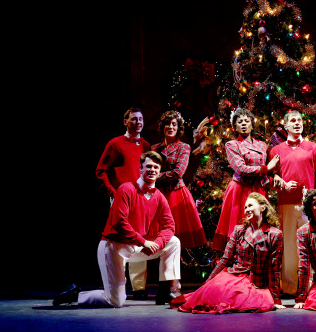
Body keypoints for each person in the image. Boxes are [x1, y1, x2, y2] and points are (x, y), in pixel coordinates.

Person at [53, 151, 182, 307]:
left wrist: (158, 243)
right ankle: (77, 295)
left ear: (160, 172)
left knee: (173, 242)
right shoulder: (126, 189)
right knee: (115, 301)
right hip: (114, 246)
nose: (152, 170)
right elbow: (119, 222)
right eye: (148, 166)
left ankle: (164, 291)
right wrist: (143, 242)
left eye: (156, 167)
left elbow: (169, 226)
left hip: (136, 246)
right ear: (140, 169)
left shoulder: (159, 196)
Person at [173, 192, 285, 313]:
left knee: (240, 298)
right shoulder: (239, 231)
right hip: (234, 275)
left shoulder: (274, 234)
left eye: (250, 205)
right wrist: (208, 282)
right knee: (215, 293)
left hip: (256, 282)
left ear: (263, 208)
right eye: (245, 207)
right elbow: (225, 259)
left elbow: (273, 268)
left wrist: (276, 298)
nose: (247, 209)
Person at [269, 110, 316, 296]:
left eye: (299, 120)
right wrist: (281, 184)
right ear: (285, 126)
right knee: (288, 244)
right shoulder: (276, 151)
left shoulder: (313, 148)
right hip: (285, 204)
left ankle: (309, 285)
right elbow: (270, 178)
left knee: (309, 244)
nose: (297, 123)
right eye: (292, 121)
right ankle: (289, 286)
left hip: (307, 205)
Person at [95, 107, 152, 299]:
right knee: (120, 239)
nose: (138, 122)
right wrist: (113, 192)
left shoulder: (146, 146)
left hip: (141, 200)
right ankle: (118, 284)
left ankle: (139, 288)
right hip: (122, 200)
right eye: (134, 119)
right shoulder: (116, 144)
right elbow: (100, 171)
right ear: (125, 121)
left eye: (141, 119)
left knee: (140, 236)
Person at [212, 108, 279, 252]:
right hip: (240, 189)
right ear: (234, 126)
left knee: (259, 226)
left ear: (251, 124)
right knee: (239, 226)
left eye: (246, 121)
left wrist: (275, 179)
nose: (243, 124)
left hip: (259, 190)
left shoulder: (262, 145)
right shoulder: (232, 145)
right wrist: (265, 168)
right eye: (239, 121)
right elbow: (241, 169)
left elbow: (273, 165)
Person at [152, 111, 206, 248]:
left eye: (174, 124)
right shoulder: (154, 149)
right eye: (167, 124)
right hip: (158, 196)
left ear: (178, 128)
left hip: (176, 195)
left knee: (178, 240)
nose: (170, 127)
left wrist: (155, 177)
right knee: (158, 239)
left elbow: (178, 172)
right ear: (162, 127)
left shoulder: (183, 147)